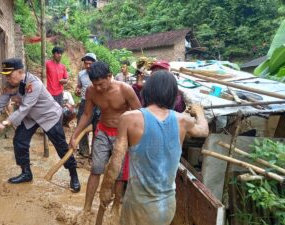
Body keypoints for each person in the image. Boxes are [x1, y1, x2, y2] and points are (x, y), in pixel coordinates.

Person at [99, 70, 209, 225]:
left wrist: (105, 188)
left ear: (148, 91)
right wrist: (200, 112)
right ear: (172, 95)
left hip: (138, 207)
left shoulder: (129, 118)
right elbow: (203, 131)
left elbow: (116, 160)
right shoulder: (183, 120)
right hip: (167, 207)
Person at [0, 58, 81, 193]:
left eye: (9, 75)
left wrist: (6, 122)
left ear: (20, 72)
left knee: (61, 147)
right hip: (30, 117)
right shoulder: (11, 86)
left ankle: (74, 175)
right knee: (19, 141)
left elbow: (25, 107)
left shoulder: (33, 84)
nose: (7, 78)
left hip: (49, 116)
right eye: (6, 75)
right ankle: (26, 173)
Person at [69, 61, 141, 213]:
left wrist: (137, 140)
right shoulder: (91, 91)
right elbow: (87, 114)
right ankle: (86, 208)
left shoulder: (125, 90)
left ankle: (115, 207)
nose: (98, 88)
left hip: (122, 135)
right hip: (102, 131)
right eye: (95, 84)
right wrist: (74, 135)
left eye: (101, 84)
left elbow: (140, 114)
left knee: (119, 174)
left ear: (109, 76)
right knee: (96, 168)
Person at [75, 53, 100, 157]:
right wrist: (77, 90)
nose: (88, 66)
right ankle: (83, 151)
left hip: (98, 103)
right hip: (84, 102)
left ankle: (95, 153)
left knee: (97, 128)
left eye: (90, 63)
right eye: (86, 63)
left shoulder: (99, 74)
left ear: (95, 63)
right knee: (81, 126)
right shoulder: (81, 74)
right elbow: (79, 86)